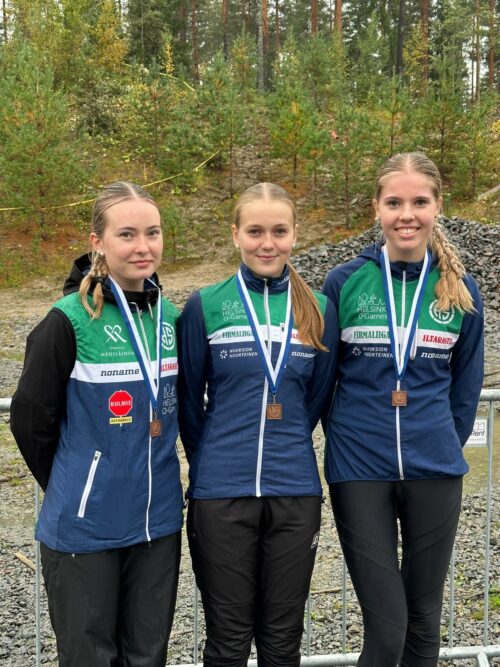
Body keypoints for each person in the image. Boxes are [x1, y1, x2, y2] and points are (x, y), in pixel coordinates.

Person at [10, 182, 183, 667]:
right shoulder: (67, 320)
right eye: (126, 234)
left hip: (157, 523)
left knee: (147, 657)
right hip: (85, 528)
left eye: (152, 233)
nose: (143, 246)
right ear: (97, 242)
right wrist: (76, 480)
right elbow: (30, 419)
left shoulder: (170, 319)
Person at [322, 152, 484, 666]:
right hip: (359, 472)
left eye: (419, 202)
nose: (406, 214)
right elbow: (324, 381)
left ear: (438, 206)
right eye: (394, 202)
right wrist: (346, 440)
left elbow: (465, 388)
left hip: (434, 471)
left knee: (424, 622)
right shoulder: (344, 282)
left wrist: (440, 441)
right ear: (376, 208)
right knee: (387, 628)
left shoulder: (461, 290)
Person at [177, 182, 338, 667]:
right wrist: (214, 460)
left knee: (282, 640)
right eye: (255, 231)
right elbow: (189, 402)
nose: (267, 243)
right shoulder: (205, 305)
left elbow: (315, 398)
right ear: (235, 234)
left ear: (295, 234)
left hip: (295, 492)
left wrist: (286, 441)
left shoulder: (319, 309)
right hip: (221, 494)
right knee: (228, 640)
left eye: (279, 231)